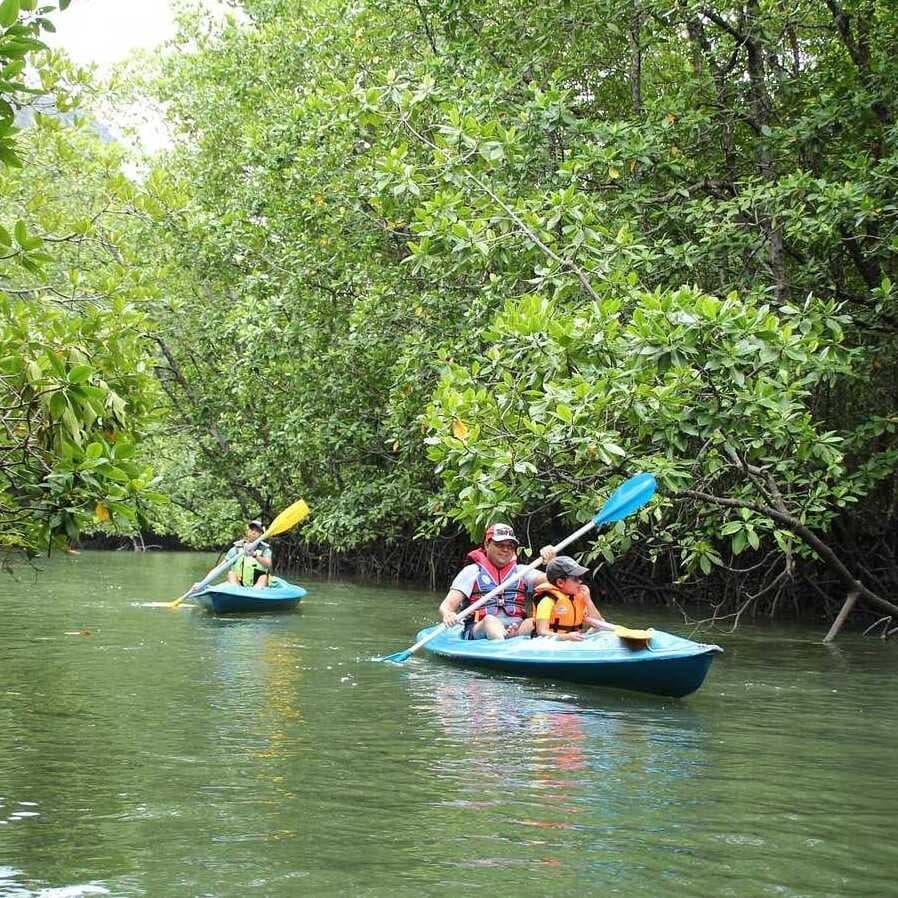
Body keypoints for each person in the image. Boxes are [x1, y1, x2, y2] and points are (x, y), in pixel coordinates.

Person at [438, 523, 556, 640]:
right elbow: (447, 606)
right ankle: (502, 646)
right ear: (487, 544)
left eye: (510, 546)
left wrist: (552, 561)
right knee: (490, 621)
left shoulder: (521, 572)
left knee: (533, 623)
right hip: (480, 628)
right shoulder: (472, 571)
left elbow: (555, 581)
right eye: (499, 545)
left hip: (516, 627)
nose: (505, 549)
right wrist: (448, 614)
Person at [522, 555, 605, 641]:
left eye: (580, 577)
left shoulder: (578, 599)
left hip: (571, 643)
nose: (580, 581)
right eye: (575, 579)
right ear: (560, 582)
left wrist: (588, 600)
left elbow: (599, 624)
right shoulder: (547, 601)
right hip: (551, 646)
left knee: (597, 630)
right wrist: (566, 637)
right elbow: (542, 632)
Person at [225, 519, 273, 587]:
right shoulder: (236, 548)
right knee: (231, 574)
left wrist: (254, 555)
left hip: (257, 585)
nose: (253, 533)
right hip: (238, 584)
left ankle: (255, 593)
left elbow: (268, 564)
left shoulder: (265, 549)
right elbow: (220, 566)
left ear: (261, 534)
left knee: (263, 577)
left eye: (257, 531)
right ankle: (237, 592)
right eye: (251, 530)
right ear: (247, 531)